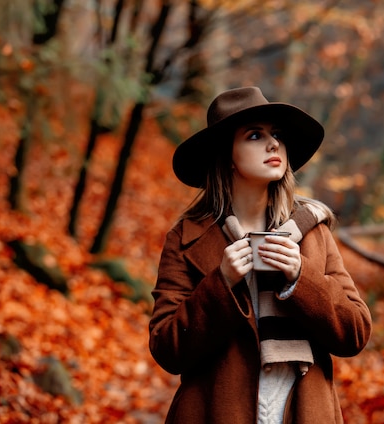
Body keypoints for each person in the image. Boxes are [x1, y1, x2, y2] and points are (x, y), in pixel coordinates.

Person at [148, 86, 372, 424]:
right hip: (215, 412)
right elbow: (167, 349)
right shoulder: (187, 239)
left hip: (305, 411)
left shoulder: (312, 232)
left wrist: (302, 276)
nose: (273, 144)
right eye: (255, 135)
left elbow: (355, 332)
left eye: (277, 135)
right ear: (226, 155)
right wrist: (221, 284)